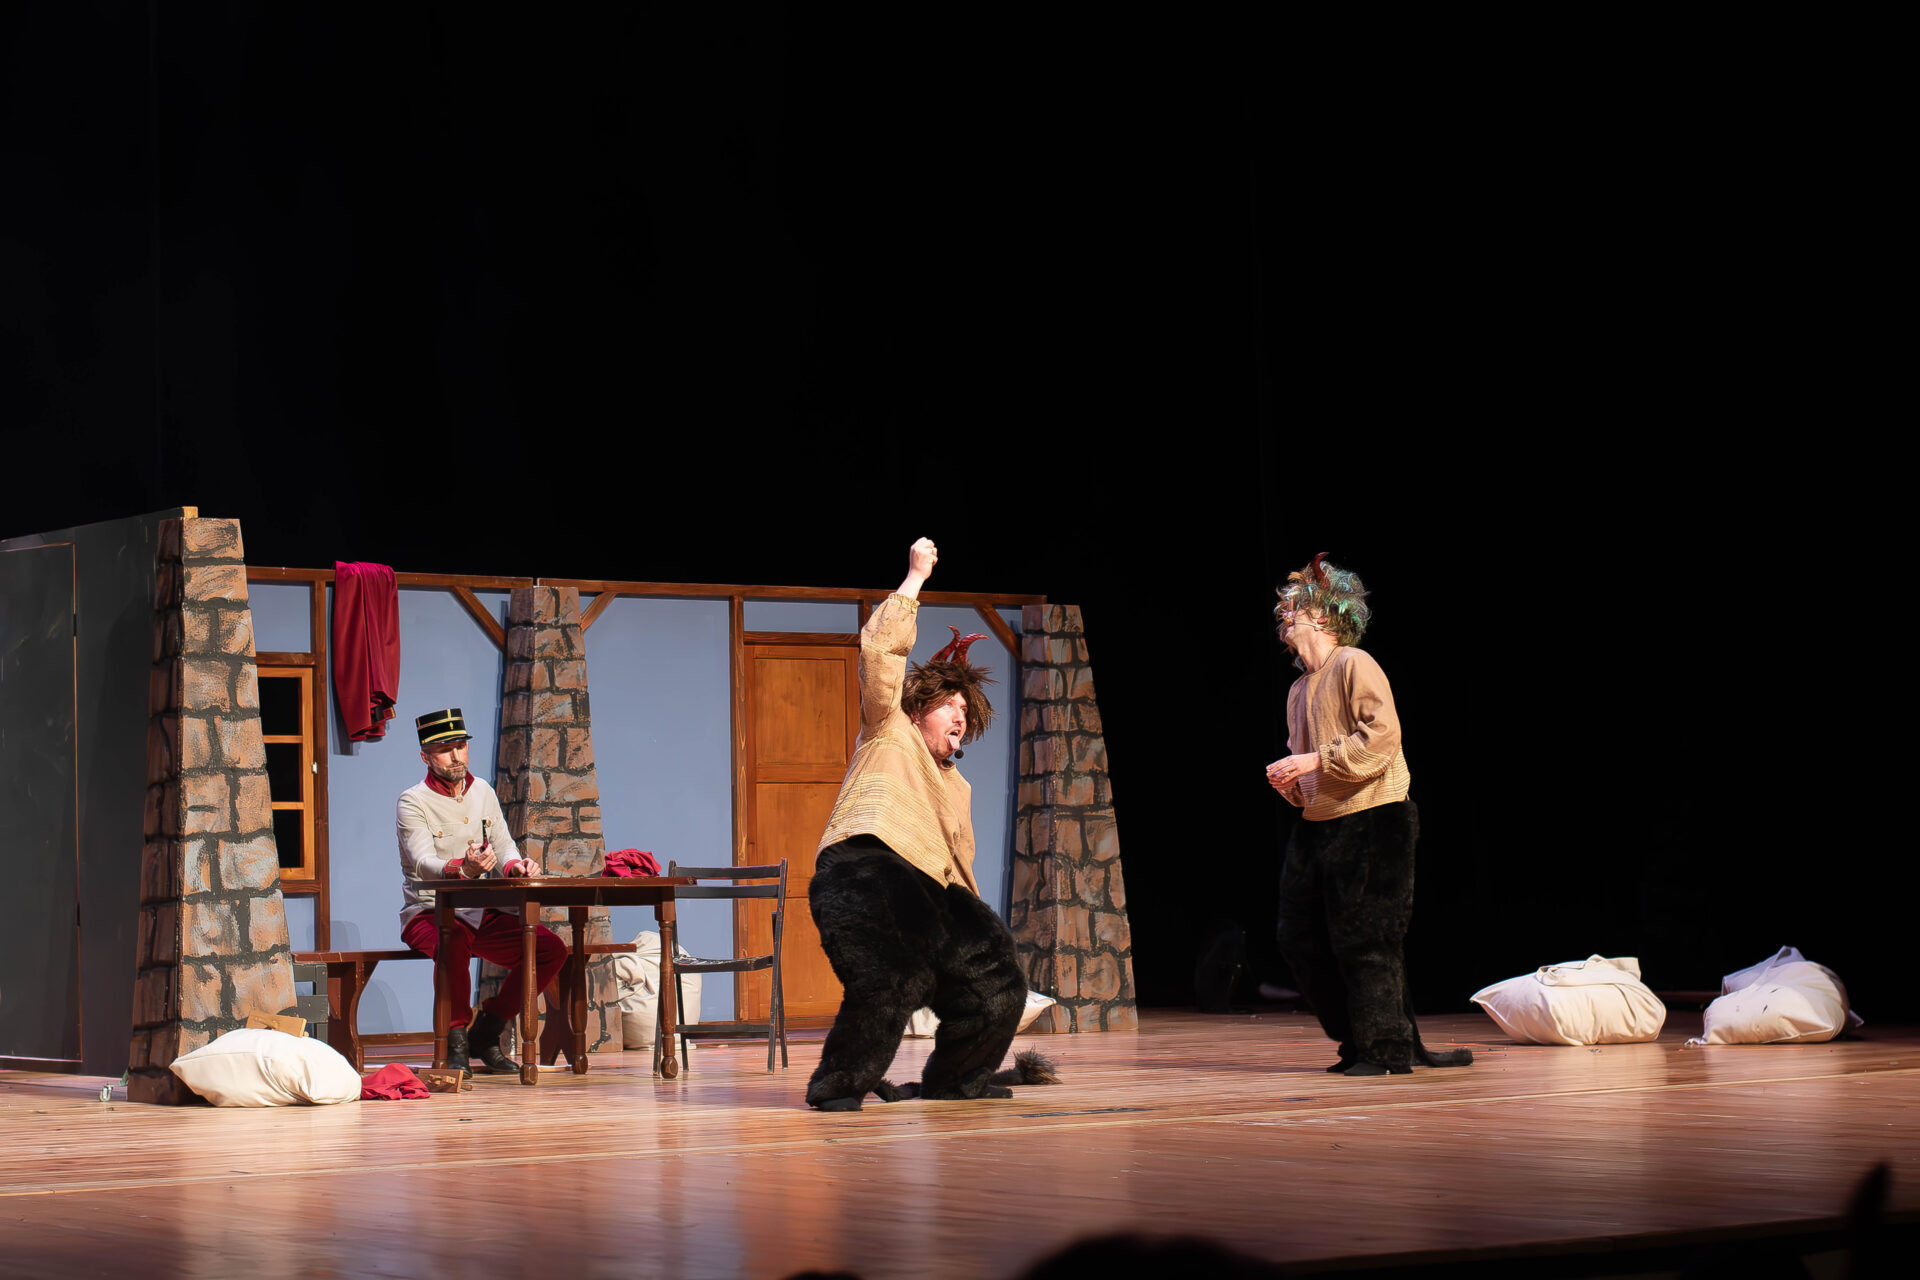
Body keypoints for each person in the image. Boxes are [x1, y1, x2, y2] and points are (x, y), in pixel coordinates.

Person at [805, 538, 1052, 1111]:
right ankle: (839, 1086)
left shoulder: (957, 786)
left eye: (966, 711)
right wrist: (915, 577)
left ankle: (957, 1082)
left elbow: (958, 868)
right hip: (866, 866)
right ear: (918, 708)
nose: (959, 717)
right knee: (895, 978)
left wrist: (980, 932)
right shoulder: (887, 727)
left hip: (929, 888)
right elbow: (880, 651)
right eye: (949, 706)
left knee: (997, 982)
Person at [1266, 554, 1472, 1076]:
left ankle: (1386, 1051)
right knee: (1298, 936)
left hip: (1375, 817)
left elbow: (1381, 736)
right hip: (1320, 821)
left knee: (1367, 940)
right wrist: (1292, 783)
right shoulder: (1298, 689)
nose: (1284, 615)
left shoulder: (1354, 663)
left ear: (1323, 616)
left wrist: (1314, 761)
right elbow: (1305, 762)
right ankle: (1362, 1038)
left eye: (1294, 608)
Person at [397, 707, 567, 1075]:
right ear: (426, 757)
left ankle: (487, 1030)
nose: (456, 756)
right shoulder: (412, 801)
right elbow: (422, 862)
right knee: (453, 938)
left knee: (550, 949)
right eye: (445, 750)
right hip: (429, 913)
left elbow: (503, 846)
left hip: (478, 914)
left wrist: (516, 866)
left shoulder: (483, 791)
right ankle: (455, 1040)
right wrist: (463, 867)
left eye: (460, 746)